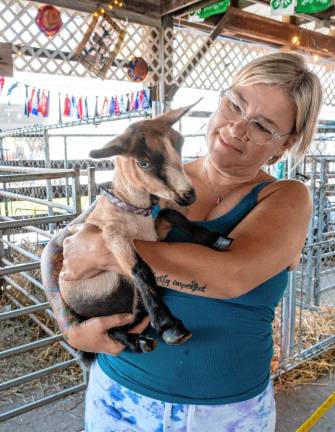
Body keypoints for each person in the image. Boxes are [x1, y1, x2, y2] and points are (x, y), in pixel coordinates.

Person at [41, 52, 322, 432]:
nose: (237, 127)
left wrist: (108, 251)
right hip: (119, 400)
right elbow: (57, 248)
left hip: (225, 415)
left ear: (284, 145)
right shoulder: (153, 174)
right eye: (235, 103)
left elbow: (230, 276)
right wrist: (69, 326)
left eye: (262, 126)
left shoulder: (287, 198)